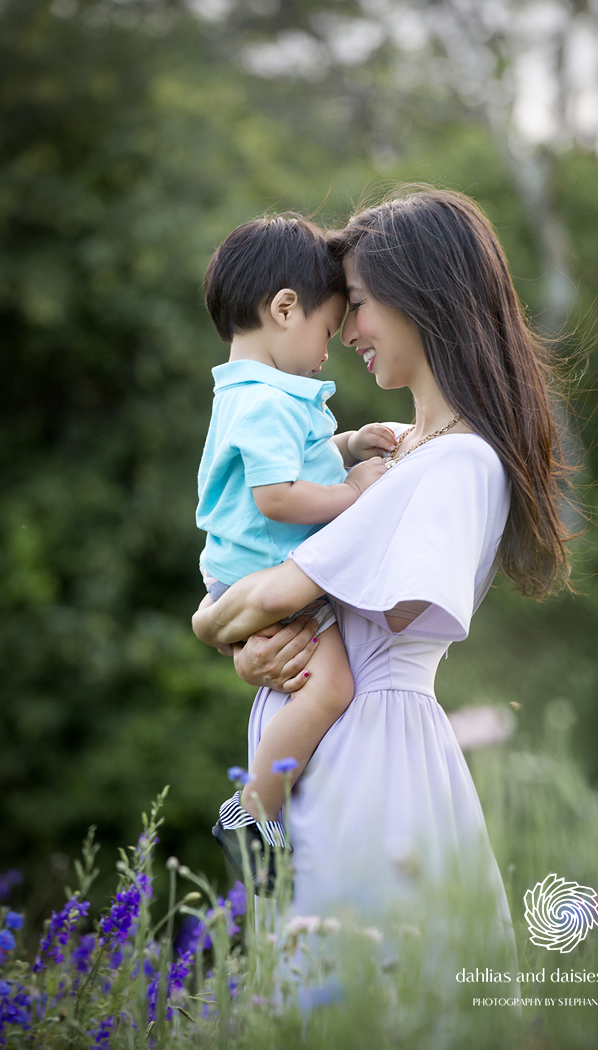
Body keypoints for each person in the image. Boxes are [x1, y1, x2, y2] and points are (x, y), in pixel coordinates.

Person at [193, 189, 574, 937]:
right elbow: (288, 596)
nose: (348, 331)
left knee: (369, 987)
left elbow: (284, 597)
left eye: (359, 305)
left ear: (421, 299)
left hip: (372, 762)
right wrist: (251, 645)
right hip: (331, 753)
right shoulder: (401, 450)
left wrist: (217, 625)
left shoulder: (453, 464)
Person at [197, 214, 394, 878]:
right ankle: (254, 808)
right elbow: (277, 496)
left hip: (247, 576)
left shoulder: (257, 395)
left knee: (324, 684)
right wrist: (358, 493)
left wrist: (347, 446)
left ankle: (262, 804)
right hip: (264, 576)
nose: (327, 351)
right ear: (285, 308)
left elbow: (296, 465)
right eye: (326, 332)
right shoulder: (266, 402)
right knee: (331, 687)